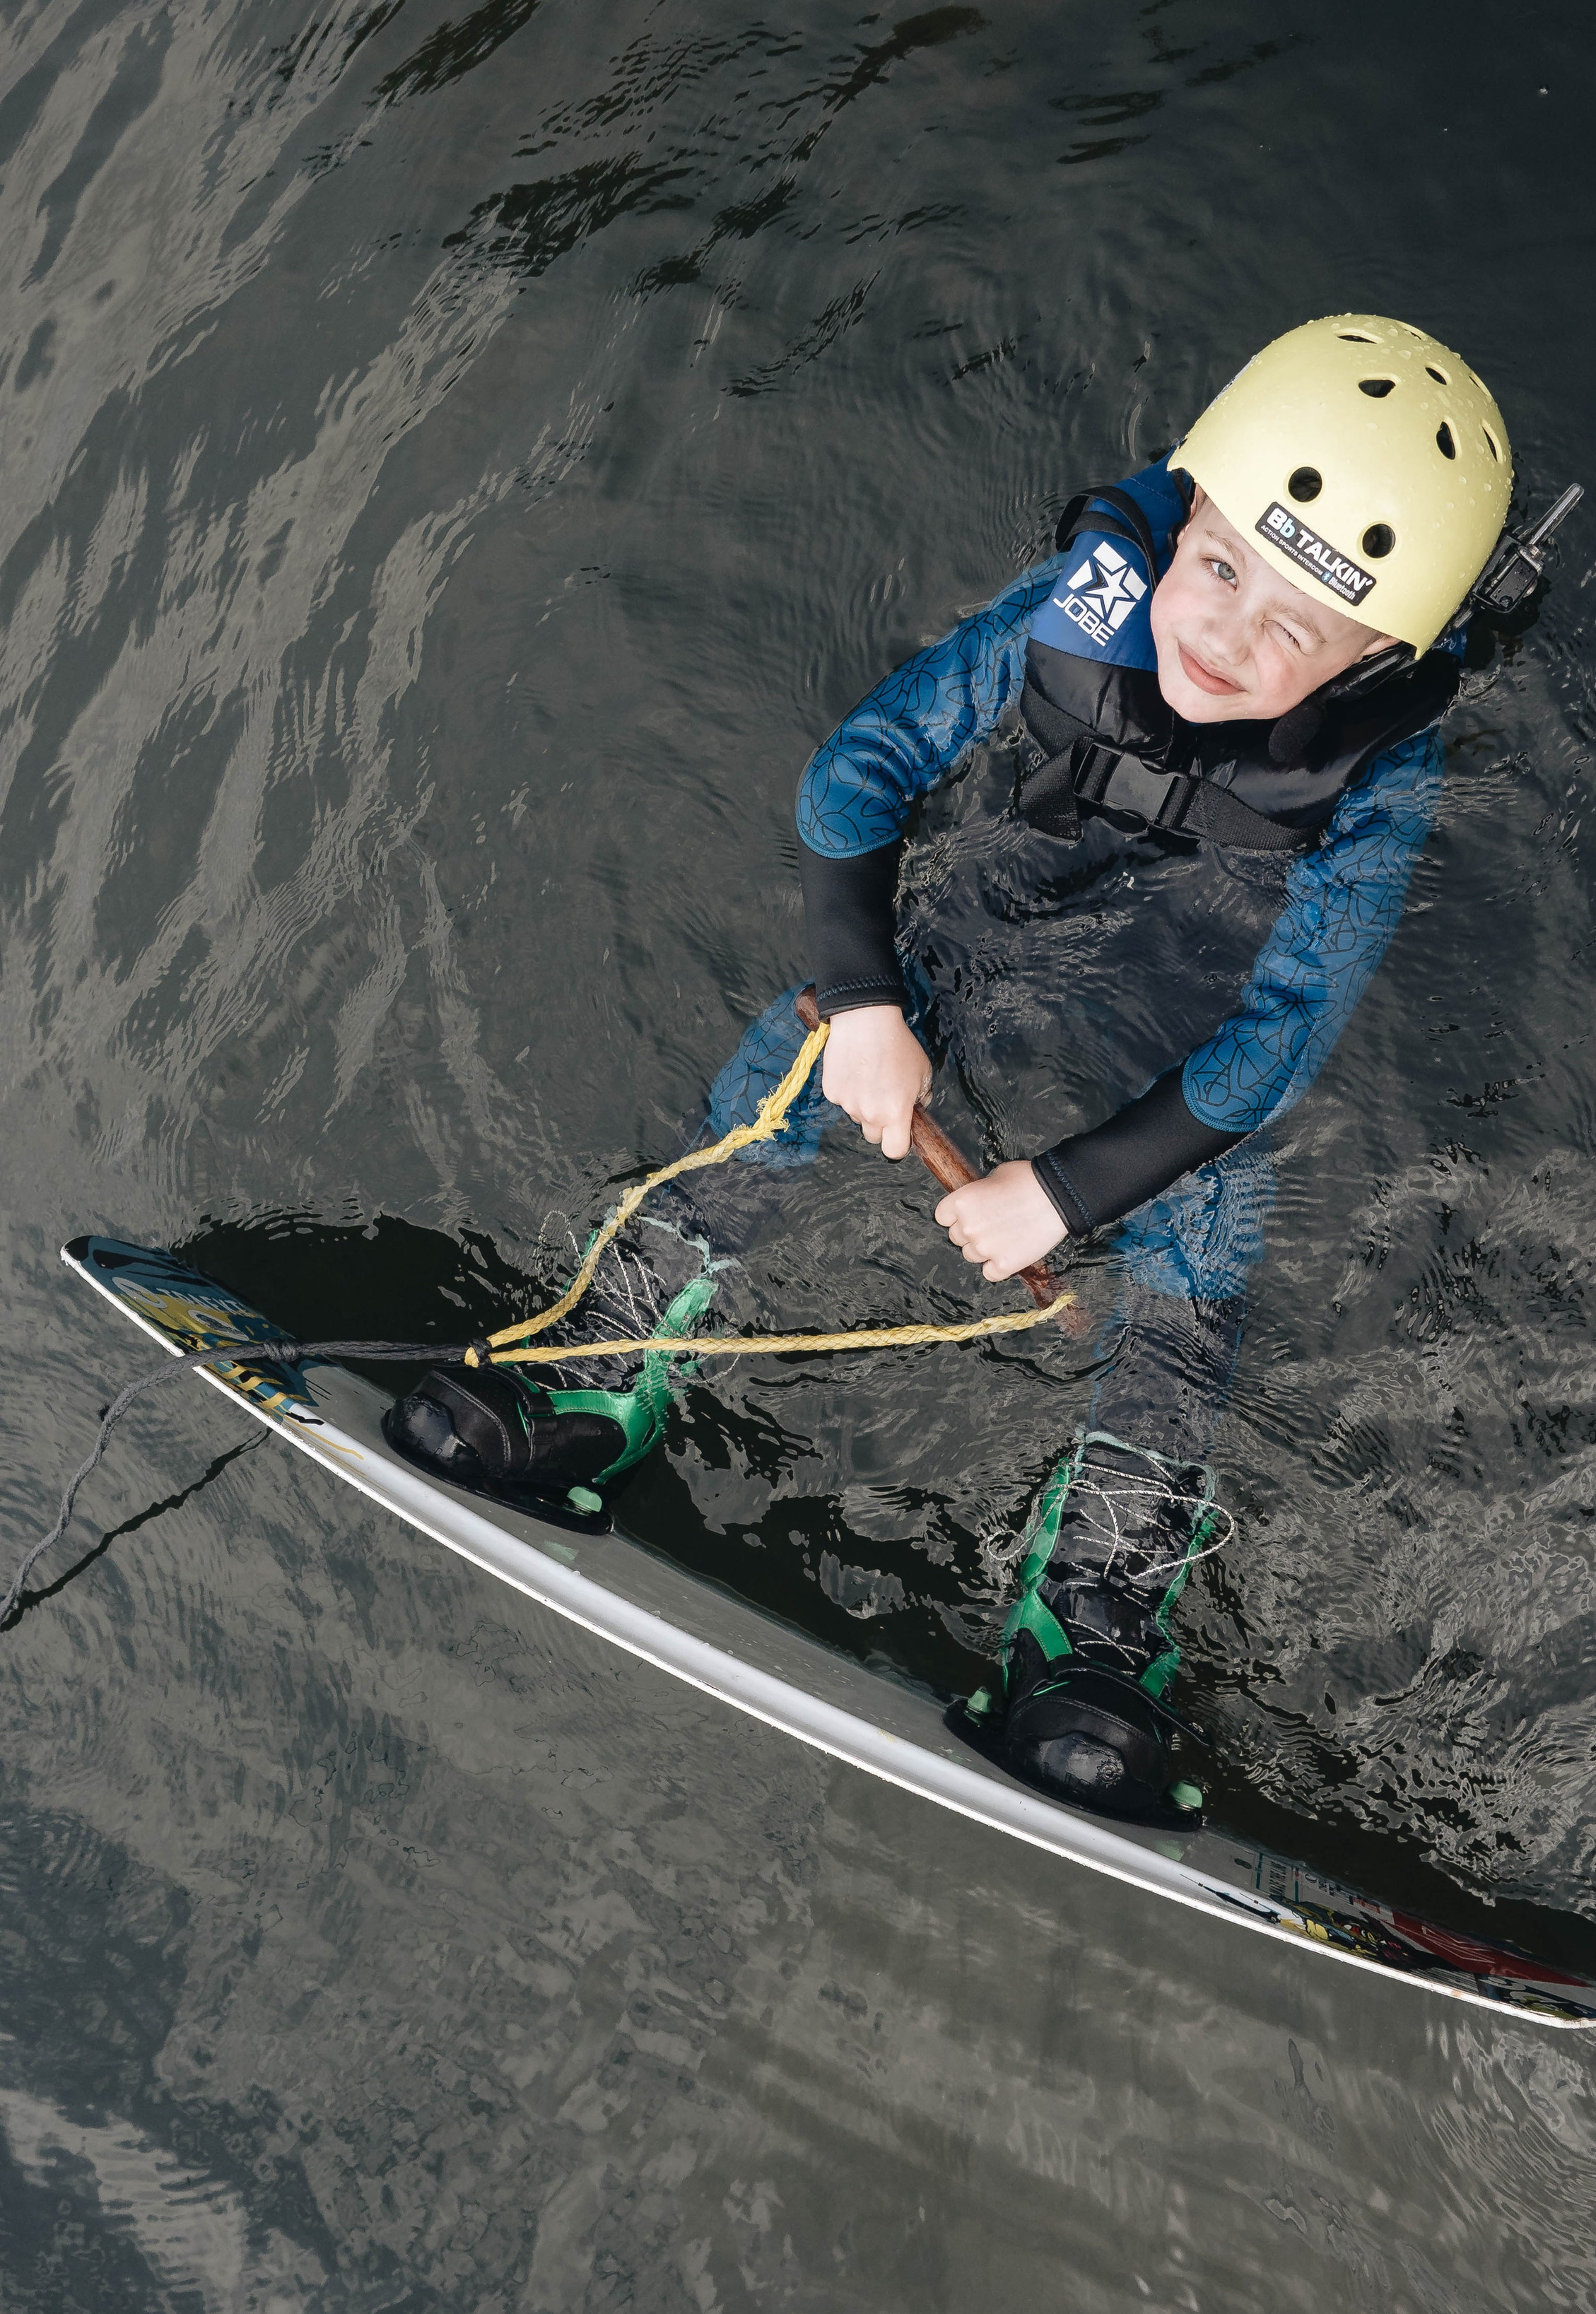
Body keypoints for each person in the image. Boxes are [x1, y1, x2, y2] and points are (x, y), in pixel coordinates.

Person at [387, 315, 1519, 1823]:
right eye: (1218, 565)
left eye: (1296, 630)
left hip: (1194, 1012)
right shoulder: (1088, 605)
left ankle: (1096, 1602)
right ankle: (613, 1339)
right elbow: (857, 773)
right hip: (1017, 916)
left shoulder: (1378, 772)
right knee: (820, 1035)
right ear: (1186, 509)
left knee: (1207, 1214)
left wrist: (1067, 1190)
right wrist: (867, 1003)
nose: (1224, 637)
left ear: (1378, 658)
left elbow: (1273, 1050)